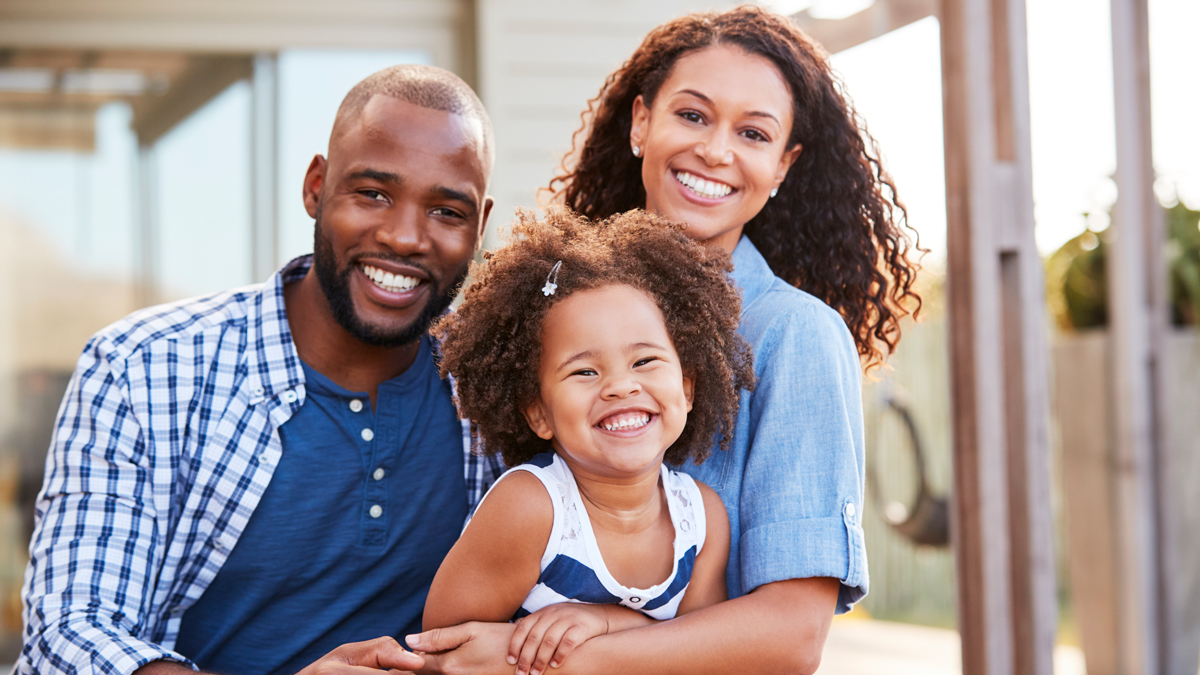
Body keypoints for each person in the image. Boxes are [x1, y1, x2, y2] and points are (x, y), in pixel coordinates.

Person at [405, 7, 922, 674]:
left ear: (784, 164)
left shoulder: (795, 336)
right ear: (641, 121)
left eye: (754, 133)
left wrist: (569, 652)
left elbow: (792, 635)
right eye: (693, 115)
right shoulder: (553, 299)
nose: (716, 150)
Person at [20, 64, 503, 675]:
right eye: (373, 193)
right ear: (316, 187)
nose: (406, 237)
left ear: (479, 226)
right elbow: (69, 636)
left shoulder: (500, 384)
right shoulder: (142, 370)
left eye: (446, 211)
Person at [423, 210, 754, 675]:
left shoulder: (701, 521)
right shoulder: (532, 509)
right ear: (538, 412)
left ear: (687, 388)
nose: (620, 387)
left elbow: (698, 656)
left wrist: (606, 621)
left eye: (644, 361)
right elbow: (444, 655)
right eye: (584, 371)